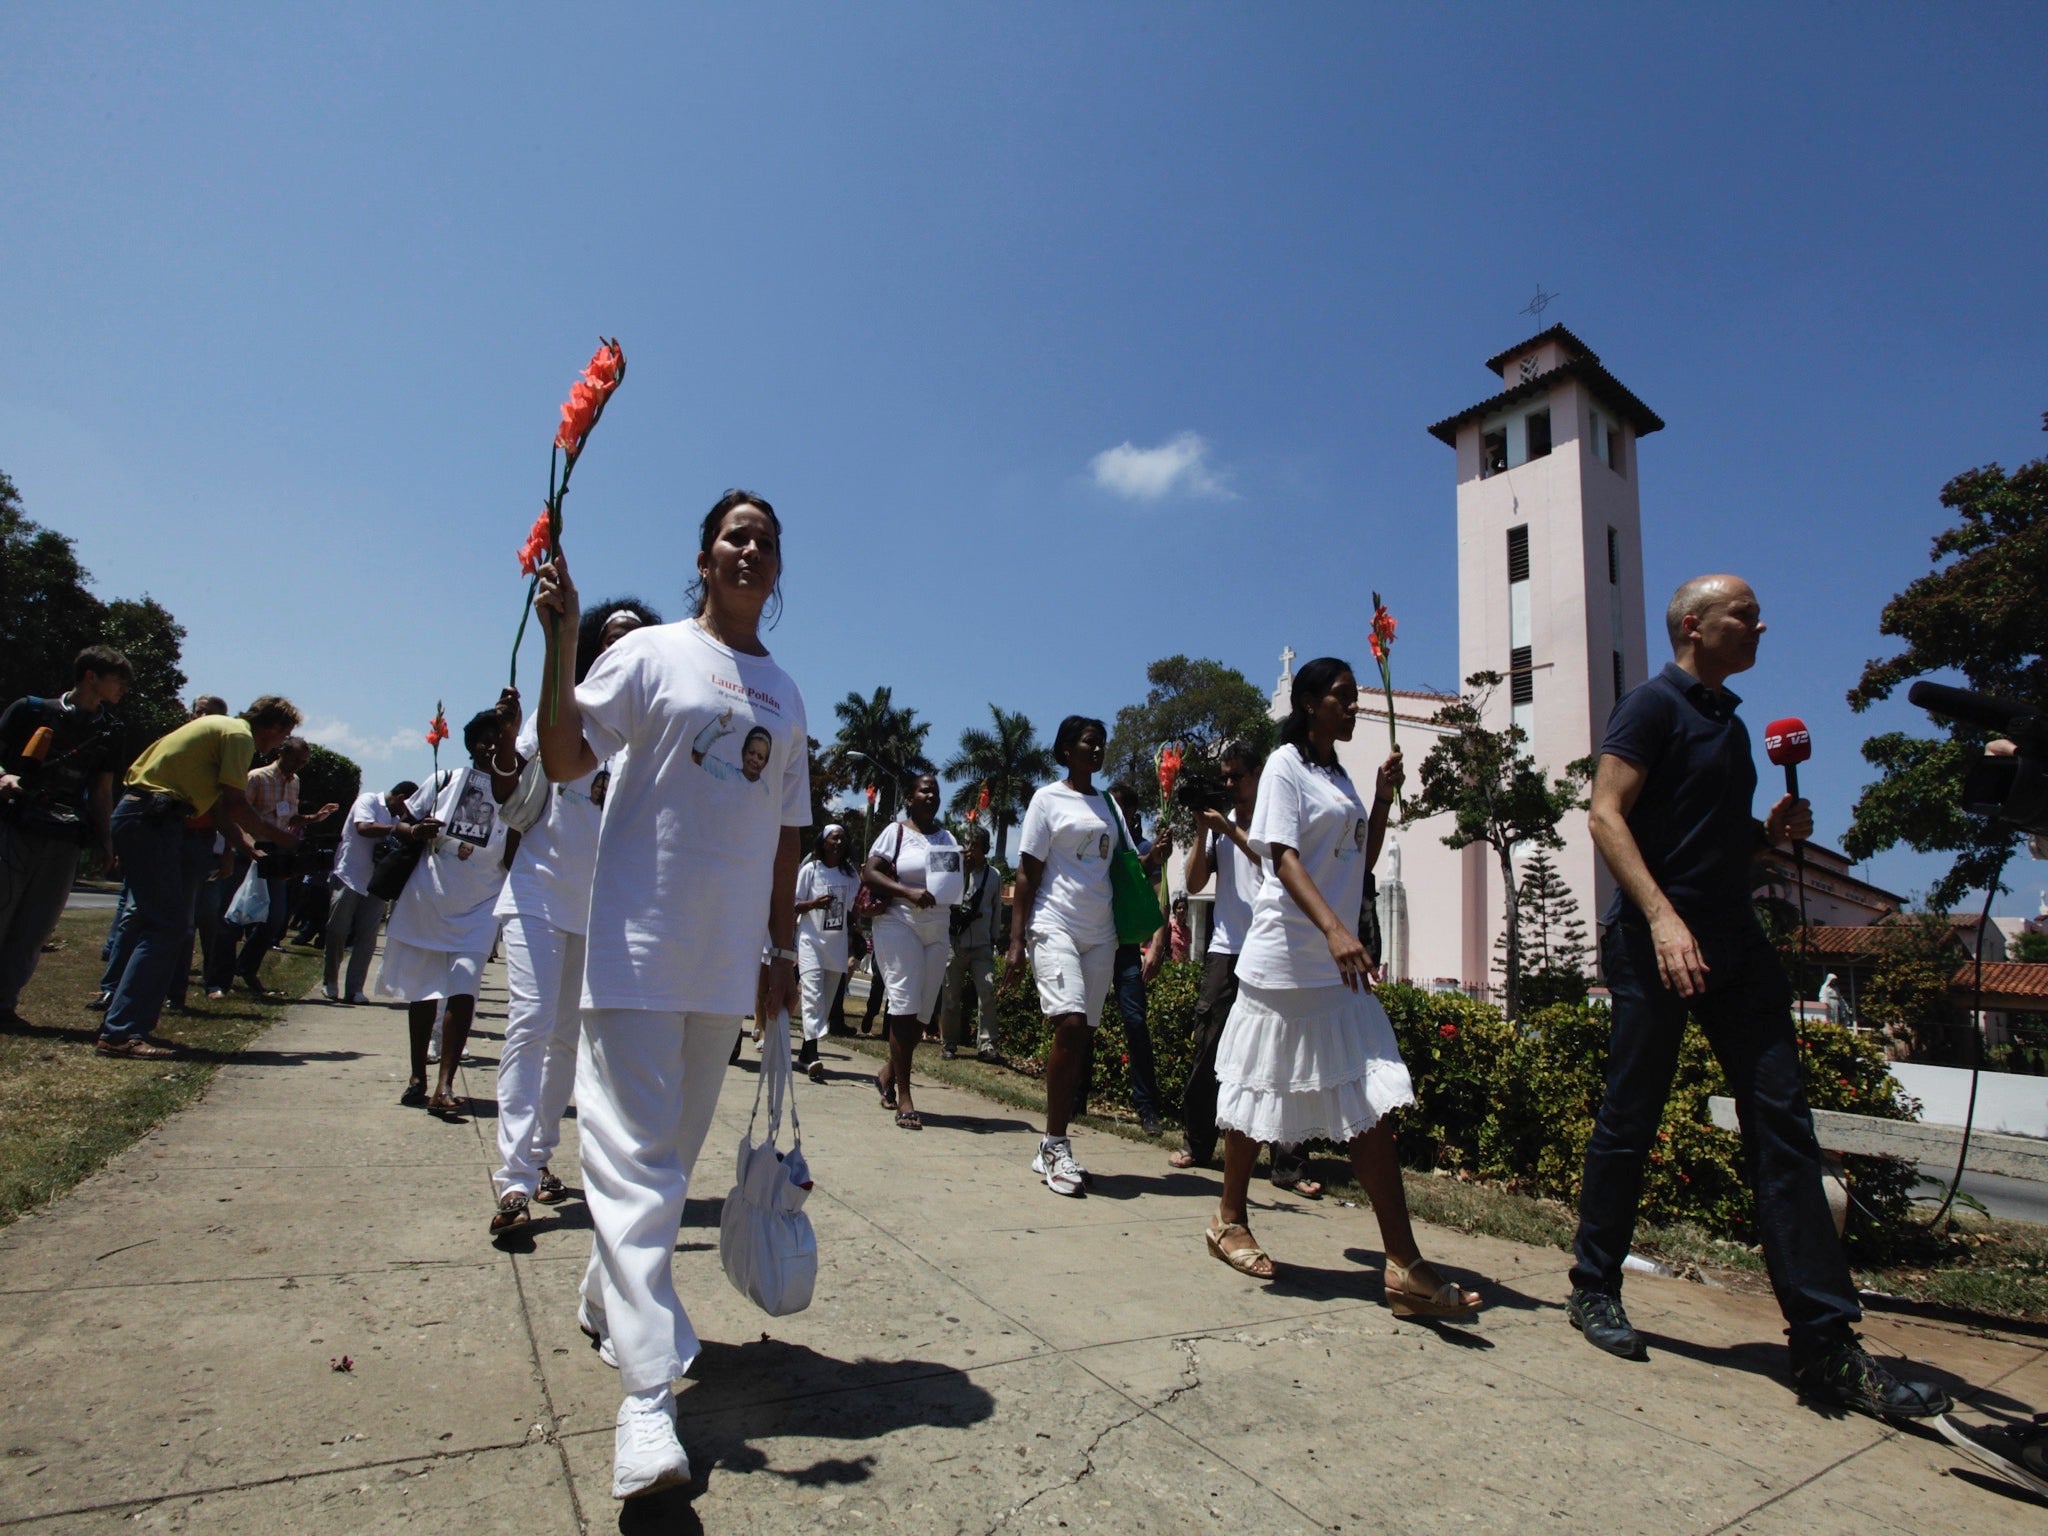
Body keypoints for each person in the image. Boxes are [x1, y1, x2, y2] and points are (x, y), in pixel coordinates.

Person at [1567, 574, 1948, 1418]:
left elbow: (1707, 838)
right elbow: (1605, 815)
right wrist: (1663, 922)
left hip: (1736, 947)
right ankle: (1594, 1284)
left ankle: (1824, 1340)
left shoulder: (1731, 724)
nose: (1761, 624)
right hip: (1655, 946)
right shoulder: (1651, 706)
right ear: (1696, 626)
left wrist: (1763, 839)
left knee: (1783, 1126)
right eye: (1745, 613)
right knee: (1632, 1116)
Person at [534, 488, 808, 1502]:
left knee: (667, 1161)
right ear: (703, 556)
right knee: (633, 1164)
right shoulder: (648, 651)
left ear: (776, 573)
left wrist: (777, 953)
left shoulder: (785, 692)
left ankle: (610, 1288)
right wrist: (562, 639)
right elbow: (567, 757)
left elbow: (785, 833)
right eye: (736, 536)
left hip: (723, 963)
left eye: (766, 544)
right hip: (637, 950)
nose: (750, 551)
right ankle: (648, 1404)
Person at [1204, 657, 1479, 1321]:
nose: (1355, 707)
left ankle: (1403, 1264)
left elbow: (1362, 861)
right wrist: (1331, 928)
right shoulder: (1285, 768)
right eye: (1343, 698)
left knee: (1368, 1101)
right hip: (1288, 955)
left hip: (1336, 963)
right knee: (1258, 1084)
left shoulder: (1339, 777)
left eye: (1357, 698)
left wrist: (1381, 800)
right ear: (1307, 702)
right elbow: (1282, 856)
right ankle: (1228, 1217)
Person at [489, 599, 659, 1235]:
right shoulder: (563, 709)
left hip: (601, 908)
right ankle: (512, 1181)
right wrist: (508, 743)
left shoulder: (651, 730)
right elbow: (512, 794)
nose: (622, 647)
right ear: (592, 645)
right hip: (536, 890)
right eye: (611, 636)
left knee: (566, 1038)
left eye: (636, 638)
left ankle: (536, 1158)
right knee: (529, 1024)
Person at [99, 697, 304, 1056]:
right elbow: (238, 806)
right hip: (154, 819)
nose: (278, 743)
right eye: (283, 734)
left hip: (147, 815)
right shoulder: (239, 737)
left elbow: (221, 811)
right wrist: (279, 836)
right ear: (272, 728)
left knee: (165, 925)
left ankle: (127, 1024)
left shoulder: (220, 731)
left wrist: (249, 848)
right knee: (166, 926)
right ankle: (121, 1032)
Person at [379, 700, 523, 1119]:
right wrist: (415, 829)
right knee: (424, 989)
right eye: (485, 740)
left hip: (480, 902)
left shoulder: (517, 790)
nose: (491, 747)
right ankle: (417, 1077)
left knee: (464, 986)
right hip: (432, 892)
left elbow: (515, 852)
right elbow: (403, 822)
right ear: (473, 745)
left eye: (500, 740)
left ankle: (445, 1081)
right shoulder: (445, 778)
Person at [1005, 715, 1119, 1197]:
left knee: (1081, 1038)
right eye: (1090, 743)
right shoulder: (1046, 799)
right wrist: (1015, 939)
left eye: (1102, 744)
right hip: (1054, 925)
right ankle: (1054, 1144)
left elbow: (1122, 867)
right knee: (1069, 1024)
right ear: (1067, 749)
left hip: (1102, 933)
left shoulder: (1108, 803)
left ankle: (1051, 1143)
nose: (1097, 751)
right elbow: (1028, 873)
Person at [0, 645, 130, 1029]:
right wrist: (4, 777)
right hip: (16, 823)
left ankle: (5, 1004)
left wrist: (107, 841)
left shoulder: (109, 730)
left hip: (65, 835)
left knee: (35, 925)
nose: (123, 687)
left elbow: (103, 791)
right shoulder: (31, 709)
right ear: (91, 676)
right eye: (117, 679)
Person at [866, 773, 960, 1130]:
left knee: (922, 1015)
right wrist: (907, 892)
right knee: (904, 1007)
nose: (931, 795)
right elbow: (869, 873)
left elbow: (949, 882)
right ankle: (904, 1096)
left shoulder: (947, 837)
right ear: (910, 796)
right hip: (899, 922)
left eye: (936, 791)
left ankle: (888, 1071)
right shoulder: (896, 832)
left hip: (937, 927)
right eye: (924, 790)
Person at [232, 738, 337, 997]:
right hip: (252, 849)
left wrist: (314, 818)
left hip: (277, 854)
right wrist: (249, 848)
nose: (298, 766)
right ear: (281, 752)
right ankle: (220, 975)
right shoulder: (257, 778)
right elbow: (236, 815)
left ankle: (245, 967)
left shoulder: (295, 783)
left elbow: (289, 819)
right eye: (295, 760)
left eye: (303, 762)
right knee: (236, 915)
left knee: (275, 917)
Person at [1101, 783, 1171, 1136]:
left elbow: (1161, 899)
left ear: (1130, 813)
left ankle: (1147, 1109)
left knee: (1136, 1023)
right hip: (1097, 943)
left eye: (1119, 809)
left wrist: (1157, 945)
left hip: (1127, 948)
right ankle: (1077, 1096)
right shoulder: (1101, 848)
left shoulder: (1143, 849)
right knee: (1083, 1021)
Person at [322, 781, 415, 1003]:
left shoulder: (396, 817)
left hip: (375, 882)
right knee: (337, 930)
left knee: (367, 937)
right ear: (402, 798)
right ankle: (330, 982)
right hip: (349, 876)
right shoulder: (369, 800)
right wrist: (397, 829)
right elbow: (363, 828)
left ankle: (355, 989)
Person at [793, 823, 859, 1082]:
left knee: (826, 1000)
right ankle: (812, 1054)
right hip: (810, 940)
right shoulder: (810, 870)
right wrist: (814, 904)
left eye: (843, 838)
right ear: (823, 841)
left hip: (836, 944)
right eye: (834, 838)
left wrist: (856, 936)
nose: (839, 843)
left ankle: (805, 1053)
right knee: (812, 993)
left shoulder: (851, 875)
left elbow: (853, 911)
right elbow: (794, 904)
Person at [940, 825, 1001, 1061]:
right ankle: (949, 1044)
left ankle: (987, 1045)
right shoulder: (953, 870)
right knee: (950, 995)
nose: (969, 849)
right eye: (966, 844)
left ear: (984, 849)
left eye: (975, 845)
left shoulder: (993, 876)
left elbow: (995, 910)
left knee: (987, 991)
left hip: (982, 945)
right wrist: (961, 871)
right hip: (955, 942)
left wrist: (994, 938)